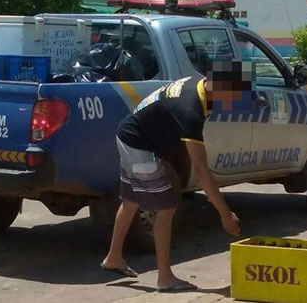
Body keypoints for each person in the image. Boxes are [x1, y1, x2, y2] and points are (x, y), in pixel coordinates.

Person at [101, 74, 242, 292]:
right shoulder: (190, 111)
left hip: (128, 135)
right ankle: (165, 278)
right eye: (230, 99)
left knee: (131, 200)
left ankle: (113, 258)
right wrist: (225, 214)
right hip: (139, 145)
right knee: (166, 206)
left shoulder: (198, 84)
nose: (229, 106)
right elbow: (202, 170)